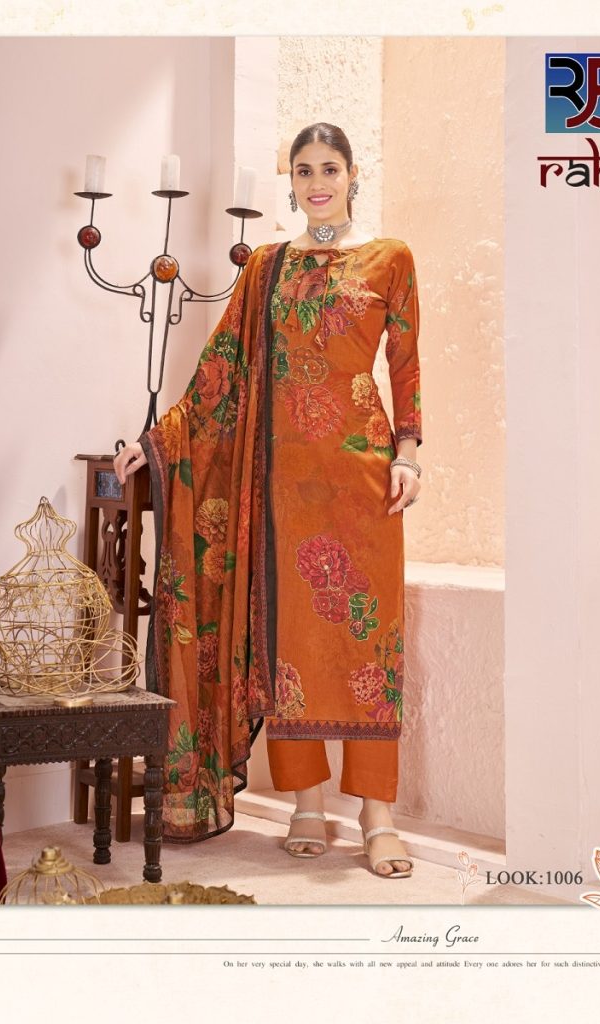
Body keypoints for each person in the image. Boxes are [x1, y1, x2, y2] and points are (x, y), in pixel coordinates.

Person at [114, 122, 422, 878]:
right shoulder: (266, 268)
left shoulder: (391, 258)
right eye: (304, 170)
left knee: (367, 646)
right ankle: (306, 803)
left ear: (353, 175)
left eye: (330, 168)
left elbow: (406, 363)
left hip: (361, 478)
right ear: (291, 183)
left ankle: (377, 815)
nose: (317, 183)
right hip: (281, 486)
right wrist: (159, 439)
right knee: (291, 648)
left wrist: (410, 453)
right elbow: (220, 369)